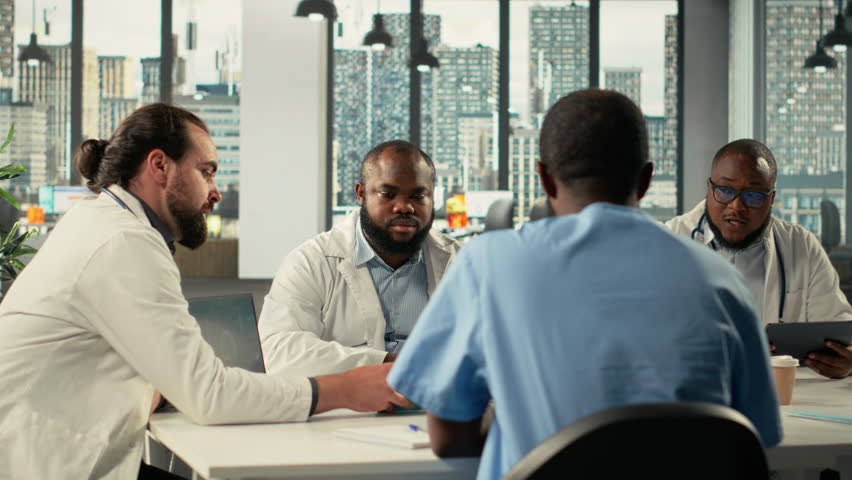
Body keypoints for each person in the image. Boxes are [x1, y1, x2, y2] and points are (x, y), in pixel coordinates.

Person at [387, 90, 782, 480]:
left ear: (543, 177)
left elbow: (448, 437)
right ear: (645, 179)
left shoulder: (486, 263)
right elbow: (749, 437)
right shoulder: (723, 282)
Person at [0, 104, 409, 480]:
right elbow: (209, 395)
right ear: (159, 165)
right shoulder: (124, 241)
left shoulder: (100, 220)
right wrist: (348, 388)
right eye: (207, 172)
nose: (215, 192)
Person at [258, 140, 461, 377]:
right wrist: (386, 365)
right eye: (388, 194)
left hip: (434, 406)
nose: (404, 207)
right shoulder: (310, 262)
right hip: (344, 411)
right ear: (361, 193)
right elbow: (277, 351)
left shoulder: (459, 262)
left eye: (418, 195)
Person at [666, 139, 852, 378]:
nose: (736, 206)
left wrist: (846, 360)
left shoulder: (801, 245)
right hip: (697, 391)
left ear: (771, 199)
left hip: (785, 399)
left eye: (753, 196)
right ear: (709, 189)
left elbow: (838, 326)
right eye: (725, 191)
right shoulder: (670, 240)